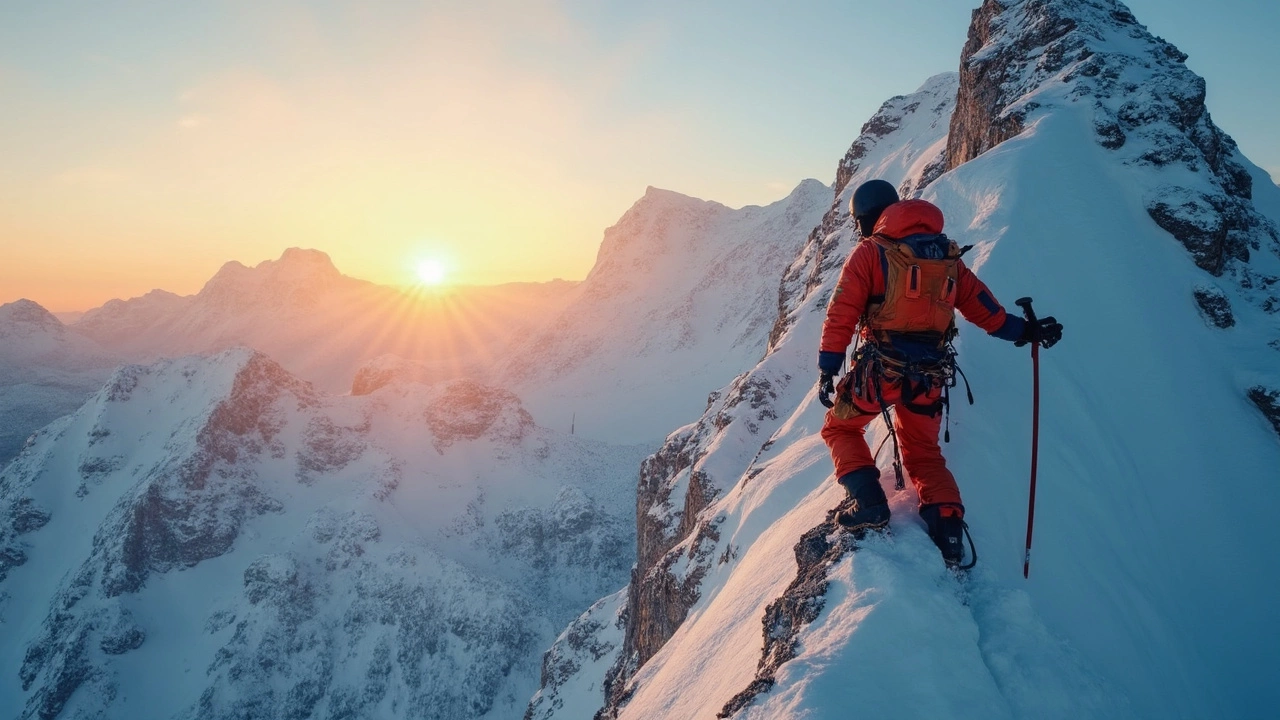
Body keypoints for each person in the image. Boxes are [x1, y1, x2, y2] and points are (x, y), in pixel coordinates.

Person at [816, 179, 1062, 566]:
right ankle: (948, 533)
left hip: (881, 370)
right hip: (929, 376)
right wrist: (1026, 331)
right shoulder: (947, 258)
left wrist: (828, 367)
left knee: (840, 428)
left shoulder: (870, 253)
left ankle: (869, 502)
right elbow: (987, 312)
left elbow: (842, 312)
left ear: (865, 219)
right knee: (925, 454)